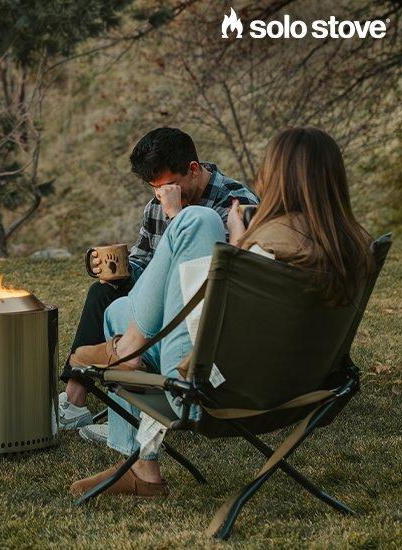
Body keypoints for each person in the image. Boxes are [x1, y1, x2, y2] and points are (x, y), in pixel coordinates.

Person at [68, 126, 373, 497]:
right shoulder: (357, 248)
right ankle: (141, 459)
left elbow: (208, 306)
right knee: (116, 298)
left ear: (279, 177)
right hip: (300, 386)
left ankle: (124, 353)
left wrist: (226, 239)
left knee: (182, 240)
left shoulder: (263, 232)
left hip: (215, 384)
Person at [58, 128, 259, 440]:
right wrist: (119, 271)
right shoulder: (156, 205)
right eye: (154, 188)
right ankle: (74, 401)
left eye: (167, 187)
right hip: (157, 301)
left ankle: (132, 408)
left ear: (193, 170)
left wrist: (177, 215)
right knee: (103, 291)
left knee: (122, 312)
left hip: (198, 315)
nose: (160, 196)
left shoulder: (237, 204)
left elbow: (226, 282)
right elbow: (145, 260)